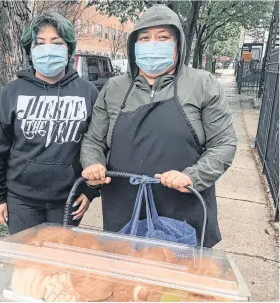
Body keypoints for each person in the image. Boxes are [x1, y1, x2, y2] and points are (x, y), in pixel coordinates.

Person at [80, 5, 237, 248]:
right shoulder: (114, 88)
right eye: (144, 38)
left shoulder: (202, 84)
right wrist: (92, 163)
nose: (153, 44)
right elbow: (93, 141)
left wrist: (192, 176)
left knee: (180, 283)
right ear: (134, 46)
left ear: (178, 44)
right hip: (124, 209)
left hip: (184, 212)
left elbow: (224, 144)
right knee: (129, 281)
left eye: (163, 37)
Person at [0, 12, 99, 235]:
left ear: (68, 49)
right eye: (40, 43)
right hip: (21, 200)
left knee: (58, 264)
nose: (48, 49)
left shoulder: (88, 93)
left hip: (68, 199)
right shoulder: (12, 92)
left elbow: (97, 144)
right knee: (27, 265)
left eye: (56, 43)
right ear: (30, 50)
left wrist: (91, 191)